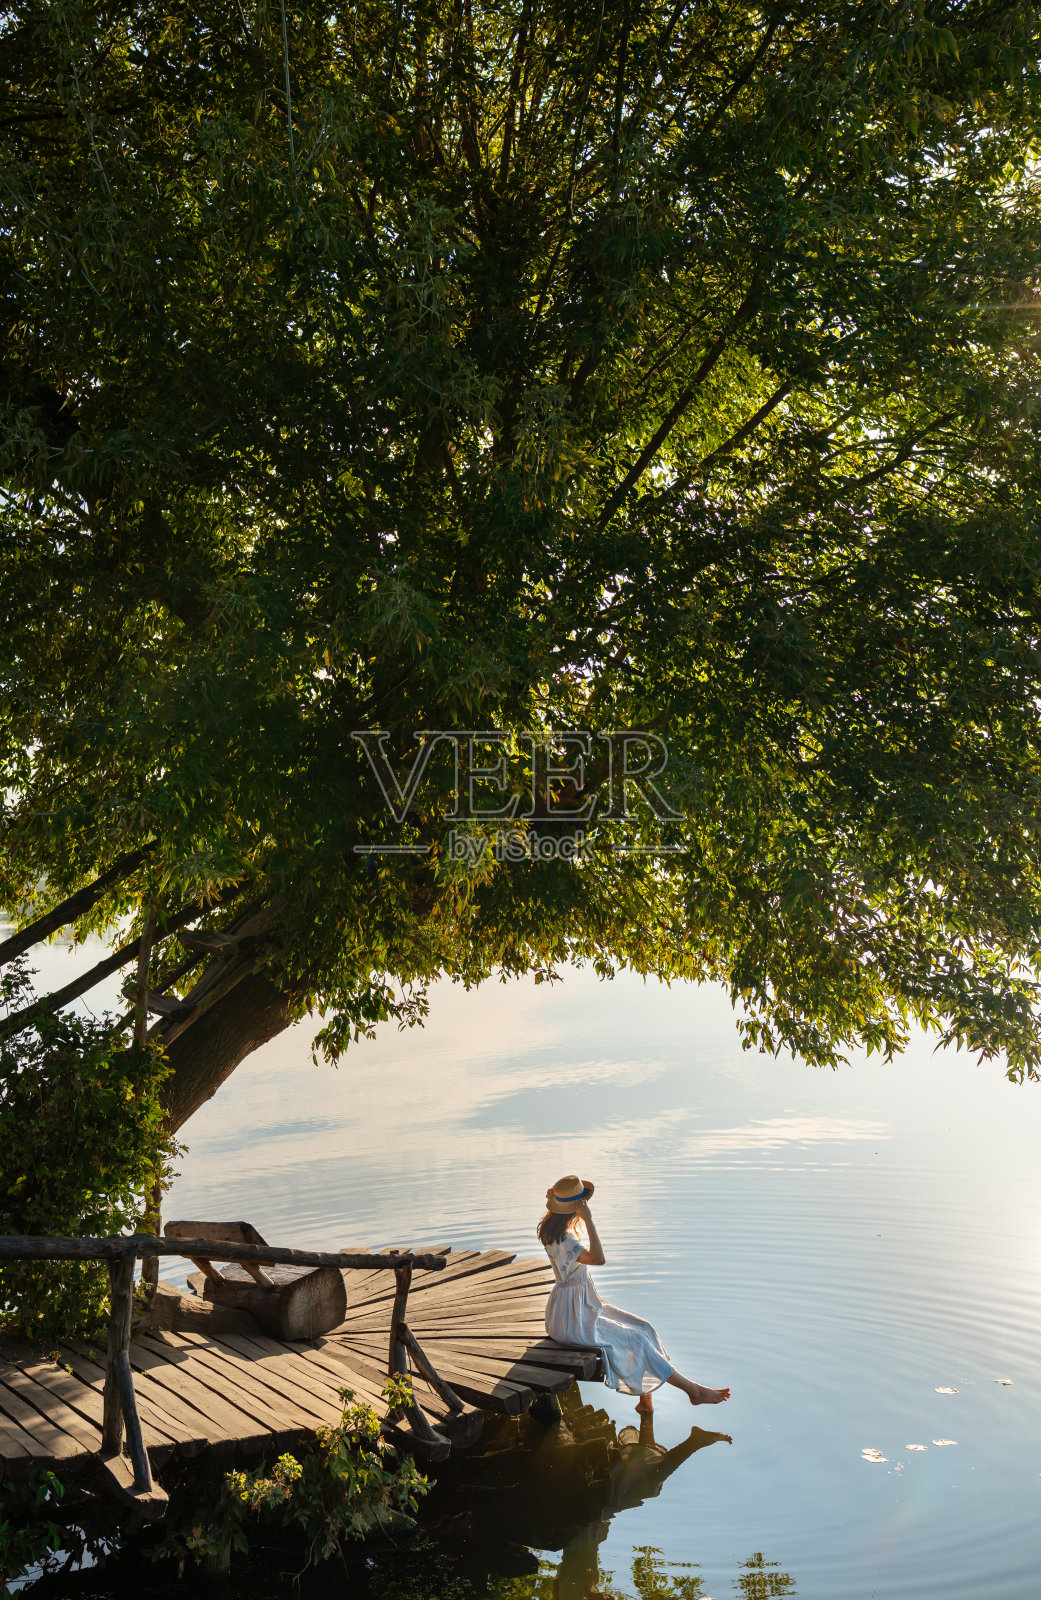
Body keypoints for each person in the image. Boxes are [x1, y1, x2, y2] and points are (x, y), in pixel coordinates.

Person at [538, 1175, 730, 1414]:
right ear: (576, 1208)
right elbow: (599, 1259)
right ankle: (694, 1391)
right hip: (571, 1320)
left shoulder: (553, 1228)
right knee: (637, 1340)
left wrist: (560, 1204)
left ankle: (645, 1403)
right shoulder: (565, 1239)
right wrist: (589, 1221)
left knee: (643, 1328)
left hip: (578, 1308)